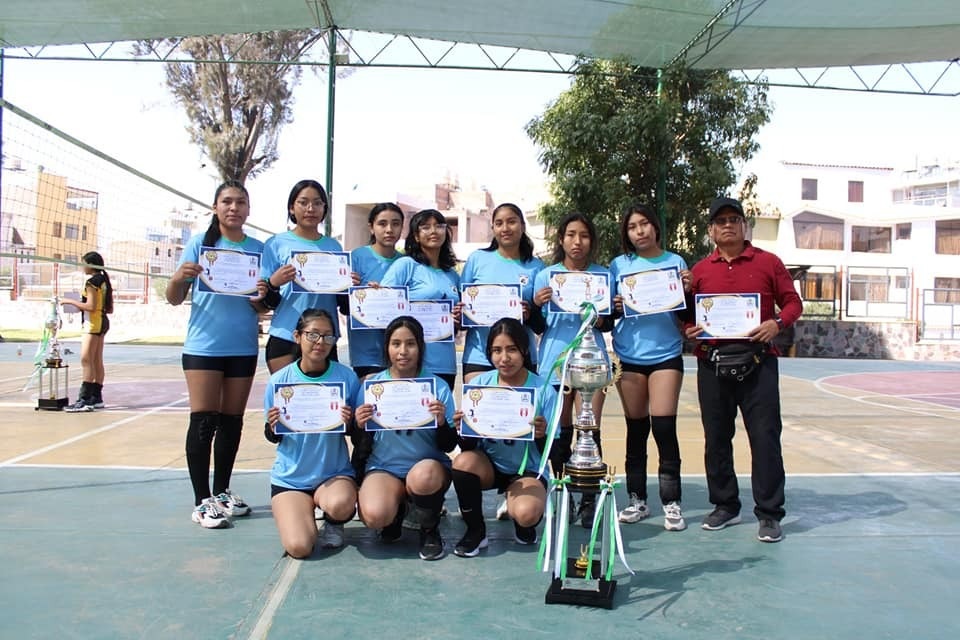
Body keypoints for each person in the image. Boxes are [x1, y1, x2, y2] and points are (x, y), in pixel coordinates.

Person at [684, 196, 802, 543]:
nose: (728, 225)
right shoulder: (700, 271)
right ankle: (725, 505)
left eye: (734, 219)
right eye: (720, 221)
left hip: (758, 362)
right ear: (711, 230)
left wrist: (777, 323)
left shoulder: (768, 262)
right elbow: (688, 316)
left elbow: (793, 302)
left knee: (765, 439)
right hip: (713, 363)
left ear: (744, 225)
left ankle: (769, 513)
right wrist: (688, 329)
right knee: (717, 439)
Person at [165, 180, 267, 529]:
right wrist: (180, 276)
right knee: (203, 419)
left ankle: (222, 490)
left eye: (240, 202)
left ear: (248, 209)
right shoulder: (200, 244)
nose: (233, 208)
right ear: (215, 207)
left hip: (242, 346)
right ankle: (201, 500)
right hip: (204, 346)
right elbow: (174, 297)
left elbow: (264, 302)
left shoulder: (258, 249)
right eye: (227, 201)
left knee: (231, 421)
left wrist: (263, 295)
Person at [609, 204, 691, 531]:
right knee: (636, 430)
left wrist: (687, 289)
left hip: (666, 354)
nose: (640, 231)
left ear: (655, 227)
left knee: (664, 428)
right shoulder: (619, 265)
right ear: (626, 233)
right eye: (632, 227)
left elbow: (684, 313)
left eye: (645, 224)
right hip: (629, 356)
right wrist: (613, 306)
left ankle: (672, 503)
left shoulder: (676, 262)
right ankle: (637, 500)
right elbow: (608, 312)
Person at [353, 316, 458, 561]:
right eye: (396, 344)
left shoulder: (437, 386)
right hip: (384, 468)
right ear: (387, 348)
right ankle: (398, 510)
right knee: (375, 515)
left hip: (427, 469)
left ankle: (429, 529)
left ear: (420, 347)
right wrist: (358, 424)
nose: (403, 351)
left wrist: (442, 423)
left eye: (410, 344)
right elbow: (359, 442)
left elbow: (449, 444)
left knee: (424, 476)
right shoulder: (372, 385)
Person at [531, 212, 613, 528]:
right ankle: (564, 493)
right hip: (556, 361)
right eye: (570, 234)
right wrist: (538, 305)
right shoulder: (546, 276)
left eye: (584, 235)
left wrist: (605, 312)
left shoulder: (603, 276)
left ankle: (589, 499)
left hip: (592, 363)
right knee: (561, 432)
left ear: (591, 241)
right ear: (561, 239)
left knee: (589, 428)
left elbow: (609, 321)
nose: (577, 242)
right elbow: (536, 324)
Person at [450, 318, 557, 557]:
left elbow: (555, 451)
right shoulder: (479, 385)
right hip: (491, 466)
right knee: (462, 462)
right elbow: (468, 446)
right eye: (497, 351)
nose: (504, 358)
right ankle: (476, 532)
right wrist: (463, 428)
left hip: (526, 470)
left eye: (512, 349)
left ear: (524, 350)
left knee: (527, 513)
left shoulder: (543, 390)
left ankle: (521, 519)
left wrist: (541, 435)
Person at [263, 309, 360, 557]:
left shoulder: (346, 378)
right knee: (299, 547)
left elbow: (358, 435)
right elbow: (274, 436)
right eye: (313, 335)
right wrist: (272, 426)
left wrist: (350, 423)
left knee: (340, 505)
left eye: (328, 336)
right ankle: (301, 511)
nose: (320, 342)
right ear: (297, 336)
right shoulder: (279, 381)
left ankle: (334, 521)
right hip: (291, 479)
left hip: (333, 475)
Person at [261, 180, 345, 373]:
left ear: (324, 208)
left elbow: (340, 299)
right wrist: (274, 282)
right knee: (286, 398)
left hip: (324, 338)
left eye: (317, 203)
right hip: (285, 334)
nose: (310, 208)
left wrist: (349, 285)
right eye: (303, 202)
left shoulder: (334, 247)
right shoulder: (276, 243)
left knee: (322, 399)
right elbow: (262, 297)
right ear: (292, 208)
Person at [459, 203, 545, 384]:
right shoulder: (477, 259)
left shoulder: (536, 266)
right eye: (499, 223)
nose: (505, 228)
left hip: (521, 356)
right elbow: (462, 305)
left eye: (511, 222)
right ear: (493, 228)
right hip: (479, 355)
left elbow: (540, 322)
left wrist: (529, 313)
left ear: (522, 226)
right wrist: (463, 312)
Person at [380, 209, 461, 390]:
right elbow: (383, 305)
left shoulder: (452, 275)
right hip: (411, 363)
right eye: (425, 227)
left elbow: (459, 323)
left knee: (438, 416)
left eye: (439, 226)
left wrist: (458, 318)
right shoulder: (406, 265)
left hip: (445, 362)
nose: (433, 231)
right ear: (416, 236)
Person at [346, 203, 404, 379]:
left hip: (401, 353)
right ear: (371, 227)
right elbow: (343, 304)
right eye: (382, 224)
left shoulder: (407, 262)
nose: (389, 230)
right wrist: (362, 293)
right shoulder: (356, 257)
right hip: (367, 353)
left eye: (395, 224)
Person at [61, 251, 114, 412]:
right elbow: (109, 308)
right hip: (102, 321)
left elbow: (90, 307)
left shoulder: (92, 282)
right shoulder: (104, 280)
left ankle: (84, 400)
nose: (82, 267)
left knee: (86, 360)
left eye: (84, 263)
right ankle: (96, 398)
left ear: (90, 265)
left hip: (93, 324)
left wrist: (70, 301)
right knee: (96, 360)